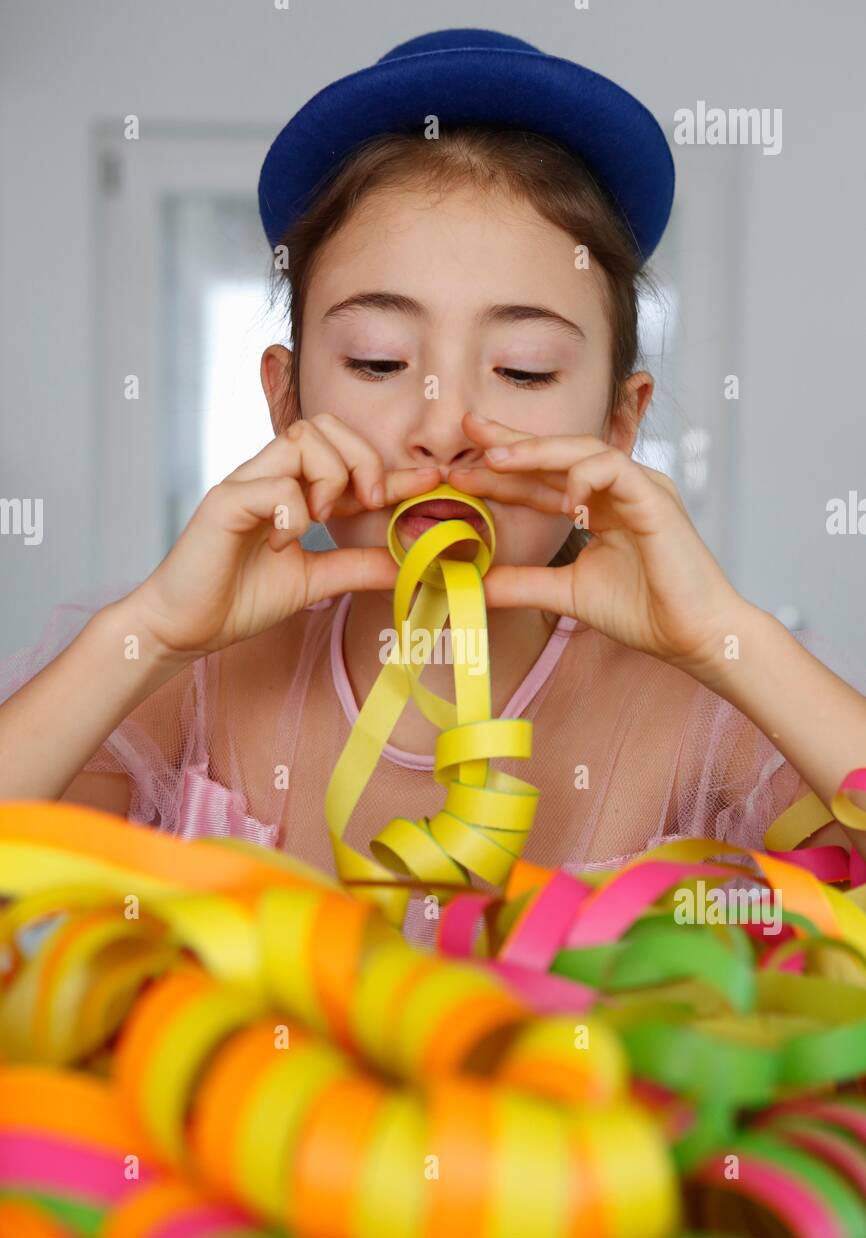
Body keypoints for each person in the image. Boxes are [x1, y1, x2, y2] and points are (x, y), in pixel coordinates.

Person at [2, 27, 865, 948]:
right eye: (379, 360)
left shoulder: (715, 718)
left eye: (523, 371)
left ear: (620, 422)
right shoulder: (182, 689)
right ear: (288, 402)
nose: (444, 424)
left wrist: (728, 640)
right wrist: (147, 634)